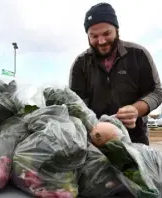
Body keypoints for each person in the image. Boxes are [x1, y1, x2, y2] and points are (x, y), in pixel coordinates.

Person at [69, 2, 162, 145]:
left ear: (117, 30)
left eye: (107, 33)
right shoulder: (80, 64)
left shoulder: (138, 55)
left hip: (135, 140)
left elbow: (156, 92)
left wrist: (136, 110)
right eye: (94, 36)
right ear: (88, 35)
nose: (101, 41)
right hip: (96, 142)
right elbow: (75, 104)